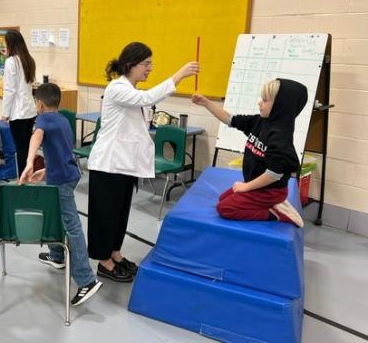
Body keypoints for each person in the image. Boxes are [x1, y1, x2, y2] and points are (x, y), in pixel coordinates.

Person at [87, 42, 199, 282]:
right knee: (105, 215)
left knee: (119, 214)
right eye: (146, 64)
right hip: (108, 164)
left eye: (151, 64)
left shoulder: (132, 90)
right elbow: (147, 97)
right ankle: (103, 262)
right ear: (130, 64)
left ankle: (115, 253)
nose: (150, 68)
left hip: (125, 164)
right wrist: (179, 75)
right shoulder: (117, 88)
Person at [19, 83, 102, 306]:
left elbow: (36, 136)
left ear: (40, 104)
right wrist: (45, 170)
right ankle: (57, 255)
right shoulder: (64, 119)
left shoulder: (43, 119)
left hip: (62, 180)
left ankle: (86, 280)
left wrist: (28, 162)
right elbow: (62, 152)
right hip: (68, 173)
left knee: (71, 225)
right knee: (51, 212)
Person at [192, 79, 307, 227]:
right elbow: (230, 119)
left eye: (265, 100)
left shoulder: (280, 136)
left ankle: (275, 213)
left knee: (225, 208)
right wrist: (206, 103)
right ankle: (274, 205)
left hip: (269, 192)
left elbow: (274, 174)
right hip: (259, 187)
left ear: (280, 107)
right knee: (222, 199)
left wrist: (246, 187)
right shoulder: (260, 121)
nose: (260, 103)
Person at [1, 29, 37, 176]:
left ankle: (23, 179)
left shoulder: (11, 62)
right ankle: (28, 175)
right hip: (30, 110)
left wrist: (5, 113)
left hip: (18, 112)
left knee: (21, 148)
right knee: (28, 147)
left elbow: (10, 90)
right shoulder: (29, 59)